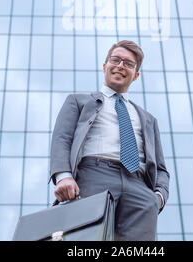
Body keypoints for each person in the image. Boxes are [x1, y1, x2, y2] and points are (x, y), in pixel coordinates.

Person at [49, 39, 170, 241]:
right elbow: (62, 139)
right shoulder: (78, 101)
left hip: (139, 187)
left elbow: (161, 168)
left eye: (129, 64)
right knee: (86, 242)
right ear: (105, 66)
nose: (121, 66)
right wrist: (63, 176)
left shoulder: (148, 119)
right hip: (93, 177)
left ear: (136, 75)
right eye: (116, 60)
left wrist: (158, 197)